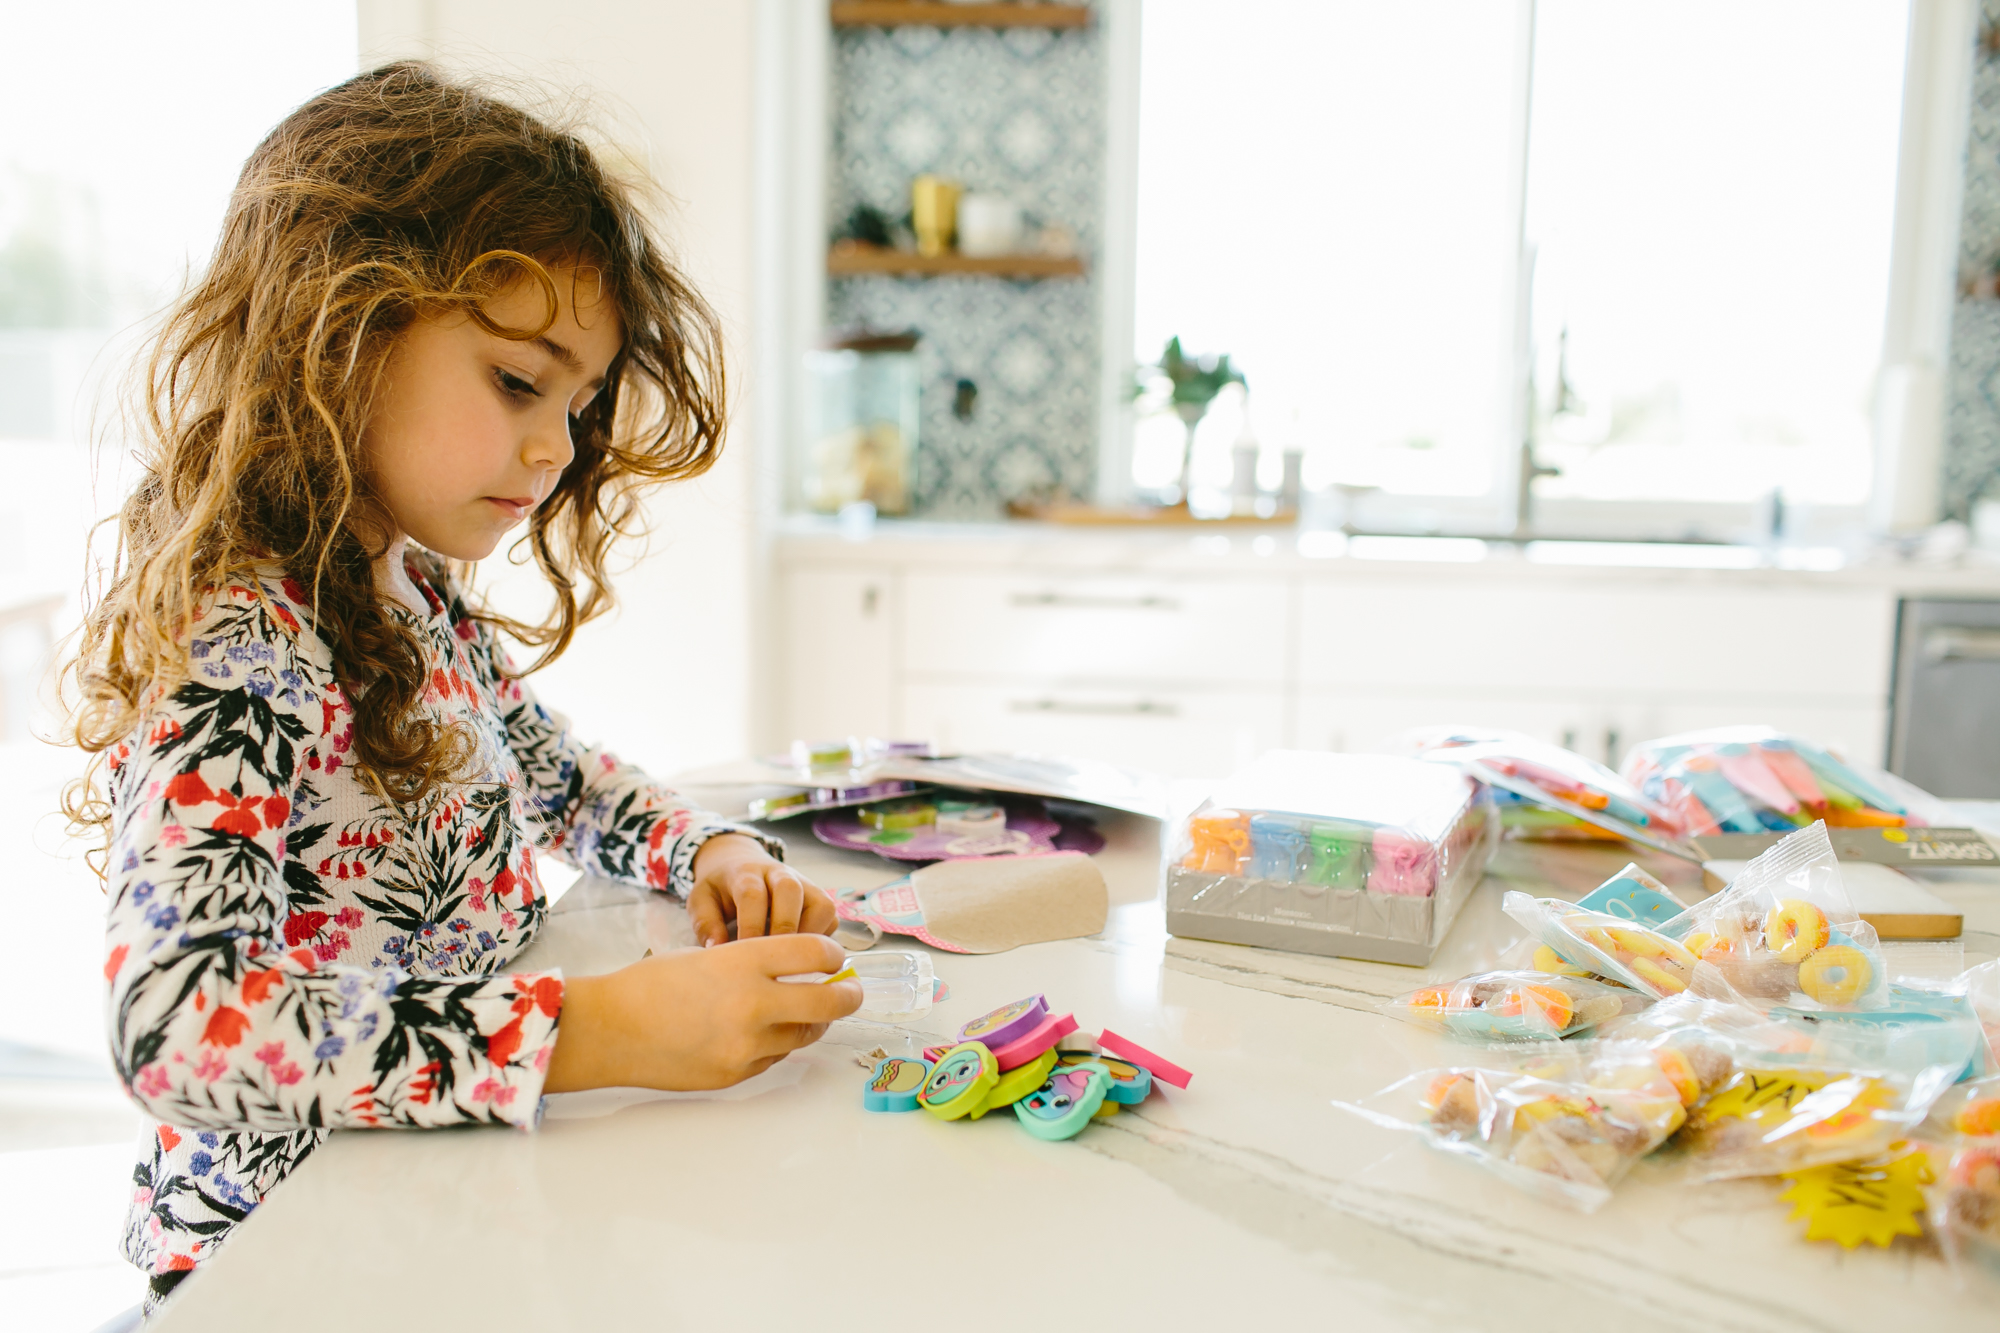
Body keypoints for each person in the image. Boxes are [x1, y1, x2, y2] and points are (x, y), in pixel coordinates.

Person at [63, 62, 862, 1314]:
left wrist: (710, 851)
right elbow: (178, 1025)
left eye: (577, 403)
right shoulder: (242, 638)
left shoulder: (404, 587)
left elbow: (559, 779)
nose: (554, 448)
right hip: (284, 1262)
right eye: (514, 381)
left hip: (444, 1202)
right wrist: (604, 1031)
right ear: (340, 329)